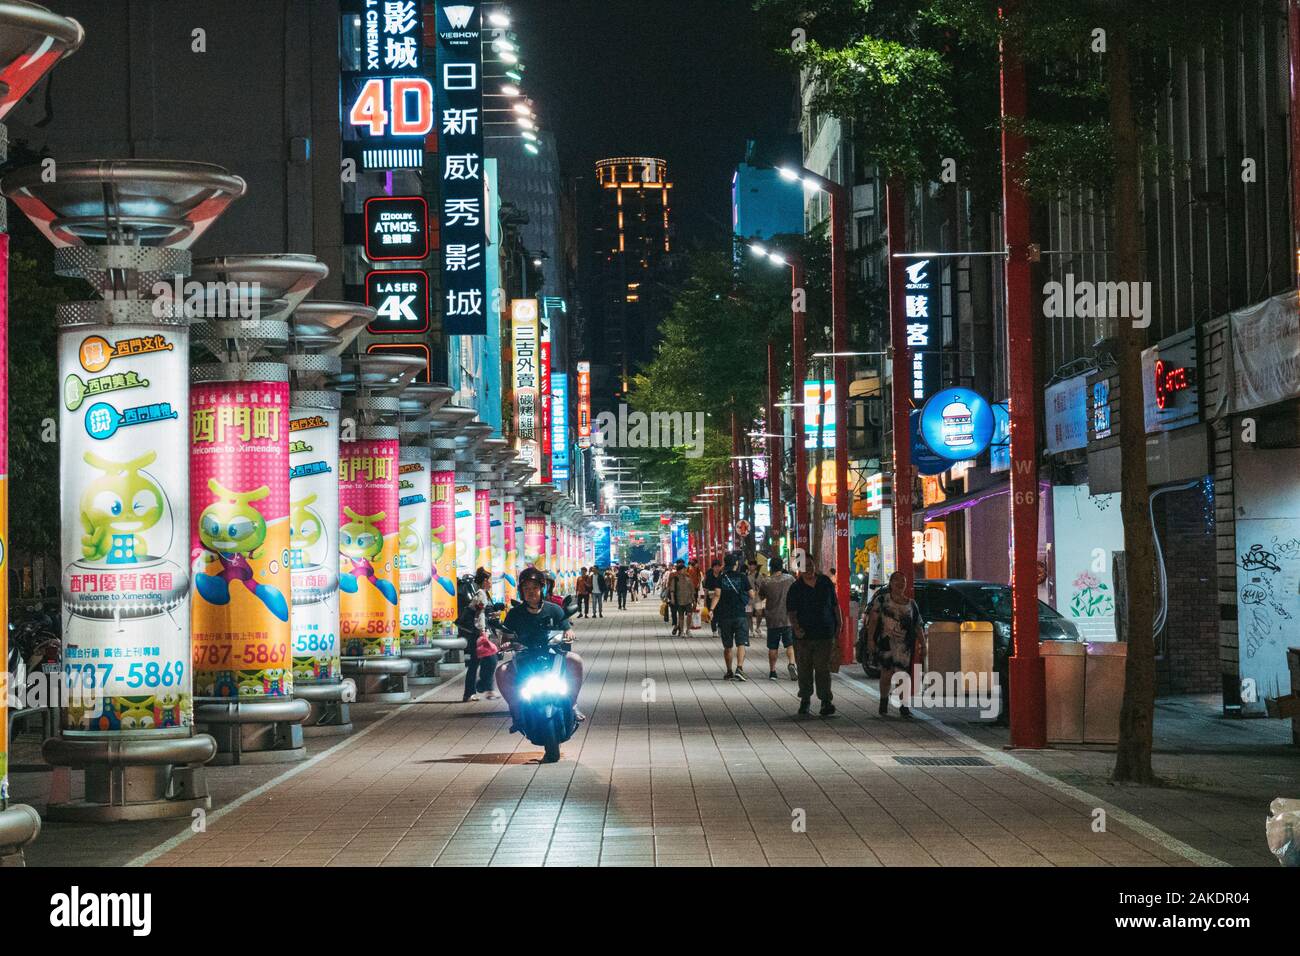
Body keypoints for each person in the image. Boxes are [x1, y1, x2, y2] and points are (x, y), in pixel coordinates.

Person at [496, 566, 585, 731]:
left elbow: (566, 627)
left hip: (552, 654)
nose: (531, 592)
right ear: (521, 591)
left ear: (542, 589)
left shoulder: (554, 609)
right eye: (526, 589)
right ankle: (516, 711)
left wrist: (569, 633)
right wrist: (505, 642)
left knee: (576, 660)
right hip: (525, 657)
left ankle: (573, 703)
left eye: (535, 588)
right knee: (501, 671)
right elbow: (505, 636)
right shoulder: (515, 613)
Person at [863, 571, 924, 718]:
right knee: (887, 674)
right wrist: (870, 639)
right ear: (890, 583)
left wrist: (923, 643)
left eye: (903, 581)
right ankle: (883, 703)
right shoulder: (882, 600)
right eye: (896, 581)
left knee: (903, 675)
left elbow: (917, 625)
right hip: (886, 643)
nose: (900, 584)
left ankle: (904, 706)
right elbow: (873, 620)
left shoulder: (911, 604)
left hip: (904, 646)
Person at [786, 558, 841, 717]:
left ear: (815, 566)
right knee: (804, 669)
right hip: (803, 636)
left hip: (824, 633)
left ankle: (826, 701)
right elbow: (792, 612)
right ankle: (805, 700)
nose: (808, 568)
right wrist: (796, 629)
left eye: (811, 565)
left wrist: (839, 623)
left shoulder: (825, 582)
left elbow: (835, 605)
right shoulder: (796, 587)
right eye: (805, 566)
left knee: (823, 669)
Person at [709, 552, 752, 681]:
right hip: (740, 615)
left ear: (725, 565)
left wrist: (711, 609)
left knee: (727, 646)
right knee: (741, 643)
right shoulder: (742, 577)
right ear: (736, 564)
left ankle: (729, 671)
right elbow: (752, 594)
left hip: (725, 616)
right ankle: (739, 668)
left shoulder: (721, 578)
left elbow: (717, 595)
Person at [460, 568, 498, 701]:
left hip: (477, 633)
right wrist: (482, 631)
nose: (491, 583)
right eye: (490, 580)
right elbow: (478, 614)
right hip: (479, 634)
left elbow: (480, 612)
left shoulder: (482, 594)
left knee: (476, 663)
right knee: (491, 660)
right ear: (485, 581)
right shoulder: (481, 594)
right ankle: (484, 688)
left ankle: (472, 692)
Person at [759, 556, 798, 681]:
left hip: (772, 619)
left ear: (771, 567)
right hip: (787, 618)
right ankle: (792, 663)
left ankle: (773, 671)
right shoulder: (790, 579)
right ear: (782, 566)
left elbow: (760, 597)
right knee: (790, 644)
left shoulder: (766, 582)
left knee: (773, 647)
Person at [668, 559, 695, 636]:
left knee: (689, 614)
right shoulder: (674, 578)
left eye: (684, 569)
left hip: (688, 600)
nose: (684, 571)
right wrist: (672, 598)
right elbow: (671, 589)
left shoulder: (688, 578)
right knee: (681, 616)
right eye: (683, 570)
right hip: (679, 600)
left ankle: (688, 630)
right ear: (679, 570)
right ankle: (681, 630)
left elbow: (692, 590)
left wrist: (694, 600)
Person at [702, 559, 723, 634]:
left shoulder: (723, 575)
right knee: (712, 613)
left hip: (720, 598)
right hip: (710, 598)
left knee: (720, 613)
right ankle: (714, 630)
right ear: (712, 567)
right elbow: (706, 589)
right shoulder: (709, 576)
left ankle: (720, 627)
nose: (717, 568)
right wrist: (704, 601)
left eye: (718, 566)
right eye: (715, 567)